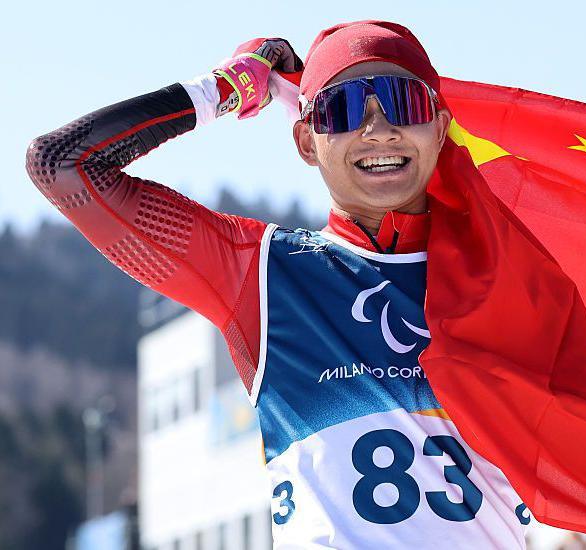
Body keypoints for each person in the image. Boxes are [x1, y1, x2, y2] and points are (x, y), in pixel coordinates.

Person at [26, 21, 532, 549]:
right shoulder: (262, 272)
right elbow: (62, 165)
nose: (379, 130)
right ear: (305, 140)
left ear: (441, 127)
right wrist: (223, 90)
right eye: (344, 109)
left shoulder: (516, 278)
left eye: (402, 102)